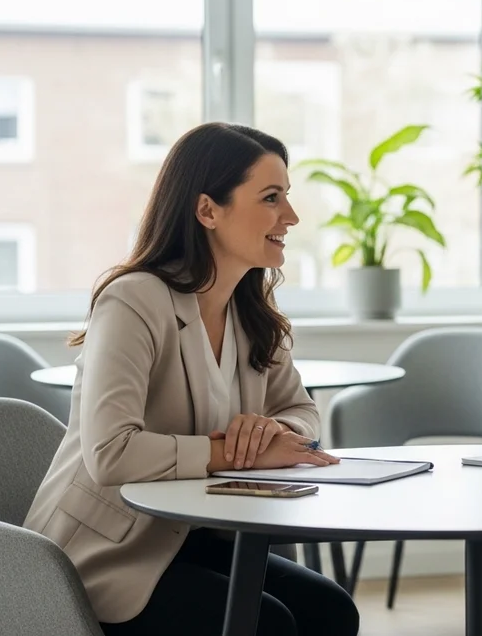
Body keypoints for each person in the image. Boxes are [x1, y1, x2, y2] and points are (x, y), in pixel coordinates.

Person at [23, 122, 360, 636]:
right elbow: (111, 453)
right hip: (103, 556)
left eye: (287, 197)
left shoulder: (251, 311)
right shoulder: (133, 301)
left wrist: (272, 431)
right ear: (207, 210)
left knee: (331, 611)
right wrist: (236, 454)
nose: (291, 217)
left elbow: (301, 412)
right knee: (268, 625)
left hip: (197, 539)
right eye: (271, 198)